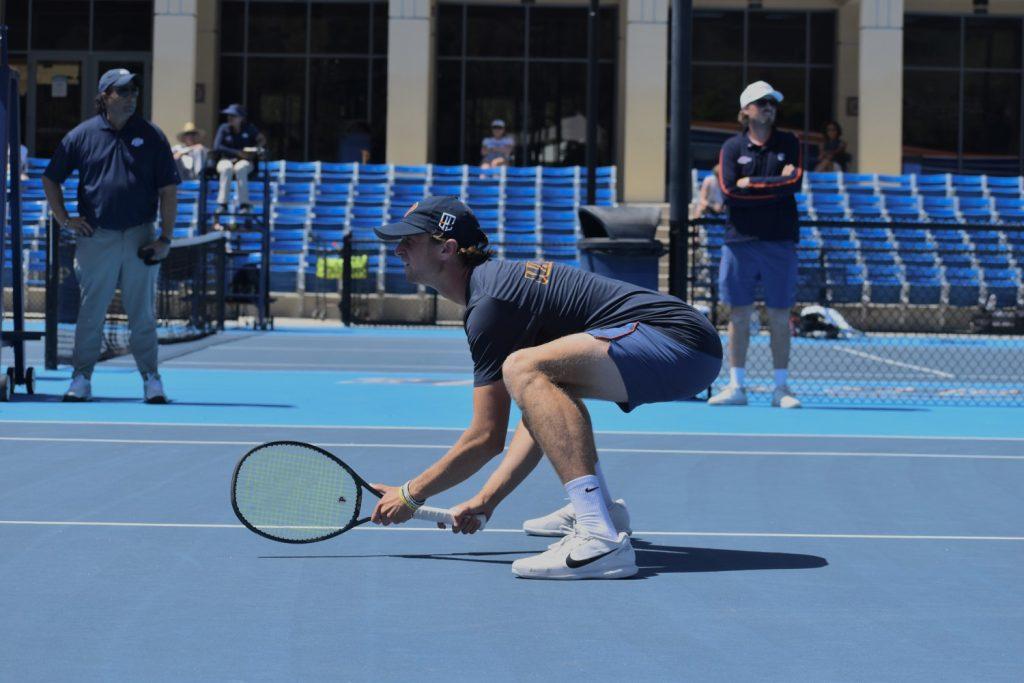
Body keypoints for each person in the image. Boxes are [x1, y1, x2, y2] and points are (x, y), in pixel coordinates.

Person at [368, 196, 723, 580]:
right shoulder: (493, 290)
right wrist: (486, 502)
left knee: (521, 367)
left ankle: (598, 536)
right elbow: (539, 417)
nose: (398, 249)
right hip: (692, 350)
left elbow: (484, 438)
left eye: (410, 240)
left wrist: (410, 494)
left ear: (446, 249)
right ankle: (601, 508)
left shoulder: (490, 304)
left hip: (680, 343)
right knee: (540, 382)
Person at [41, 68, 180, 403]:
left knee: (142, 313)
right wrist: (64, 219)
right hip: (96, 236)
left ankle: (151, 379)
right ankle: (81, 379)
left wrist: (165, 238)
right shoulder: (81, 135)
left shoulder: (152, 135)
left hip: (140, 235)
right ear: (105, 96)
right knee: (91, 312)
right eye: (123, 91)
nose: (131, 96)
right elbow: (51, 178)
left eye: (134, 89)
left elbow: (169, 189)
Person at [709, 80, 802, 409]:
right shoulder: (732, 148)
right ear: (746, 110)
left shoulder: (789, 142)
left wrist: (752, 185)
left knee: (779, 315)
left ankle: (781, 388)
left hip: (780, 241)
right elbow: (730, 191)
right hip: (740, 242)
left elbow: (793, 182)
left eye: (772, 103)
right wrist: (770, 186)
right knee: (738, 315)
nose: (769, 108)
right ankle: (737, 386)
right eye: (761, 102)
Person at [212, 103, 265, 215]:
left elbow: (262, 139)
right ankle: (222, 204)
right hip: (226, 160)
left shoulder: (249, 128)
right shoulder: (223, 128)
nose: (230, 118)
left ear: (241, 118)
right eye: (228, 115)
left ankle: (244, 204)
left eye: (233, 115)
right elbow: (217, 147)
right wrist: (238, 153)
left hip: (245, 161)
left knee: (241, 168)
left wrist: (255, 149)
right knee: (227, 168)